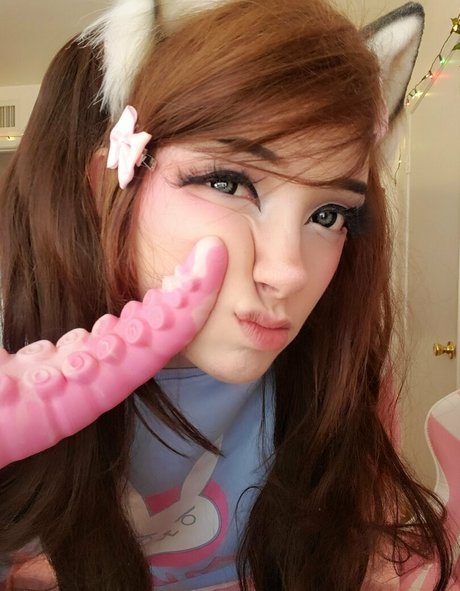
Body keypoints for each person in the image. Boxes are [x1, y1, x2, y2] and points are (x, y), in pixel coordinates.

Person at [0, 0, 458, 589]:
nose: (288, 272)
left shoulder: (338, 381)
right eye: (228, 182)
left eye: (328, 214)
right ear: (108, 181)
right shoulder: (16, 375)